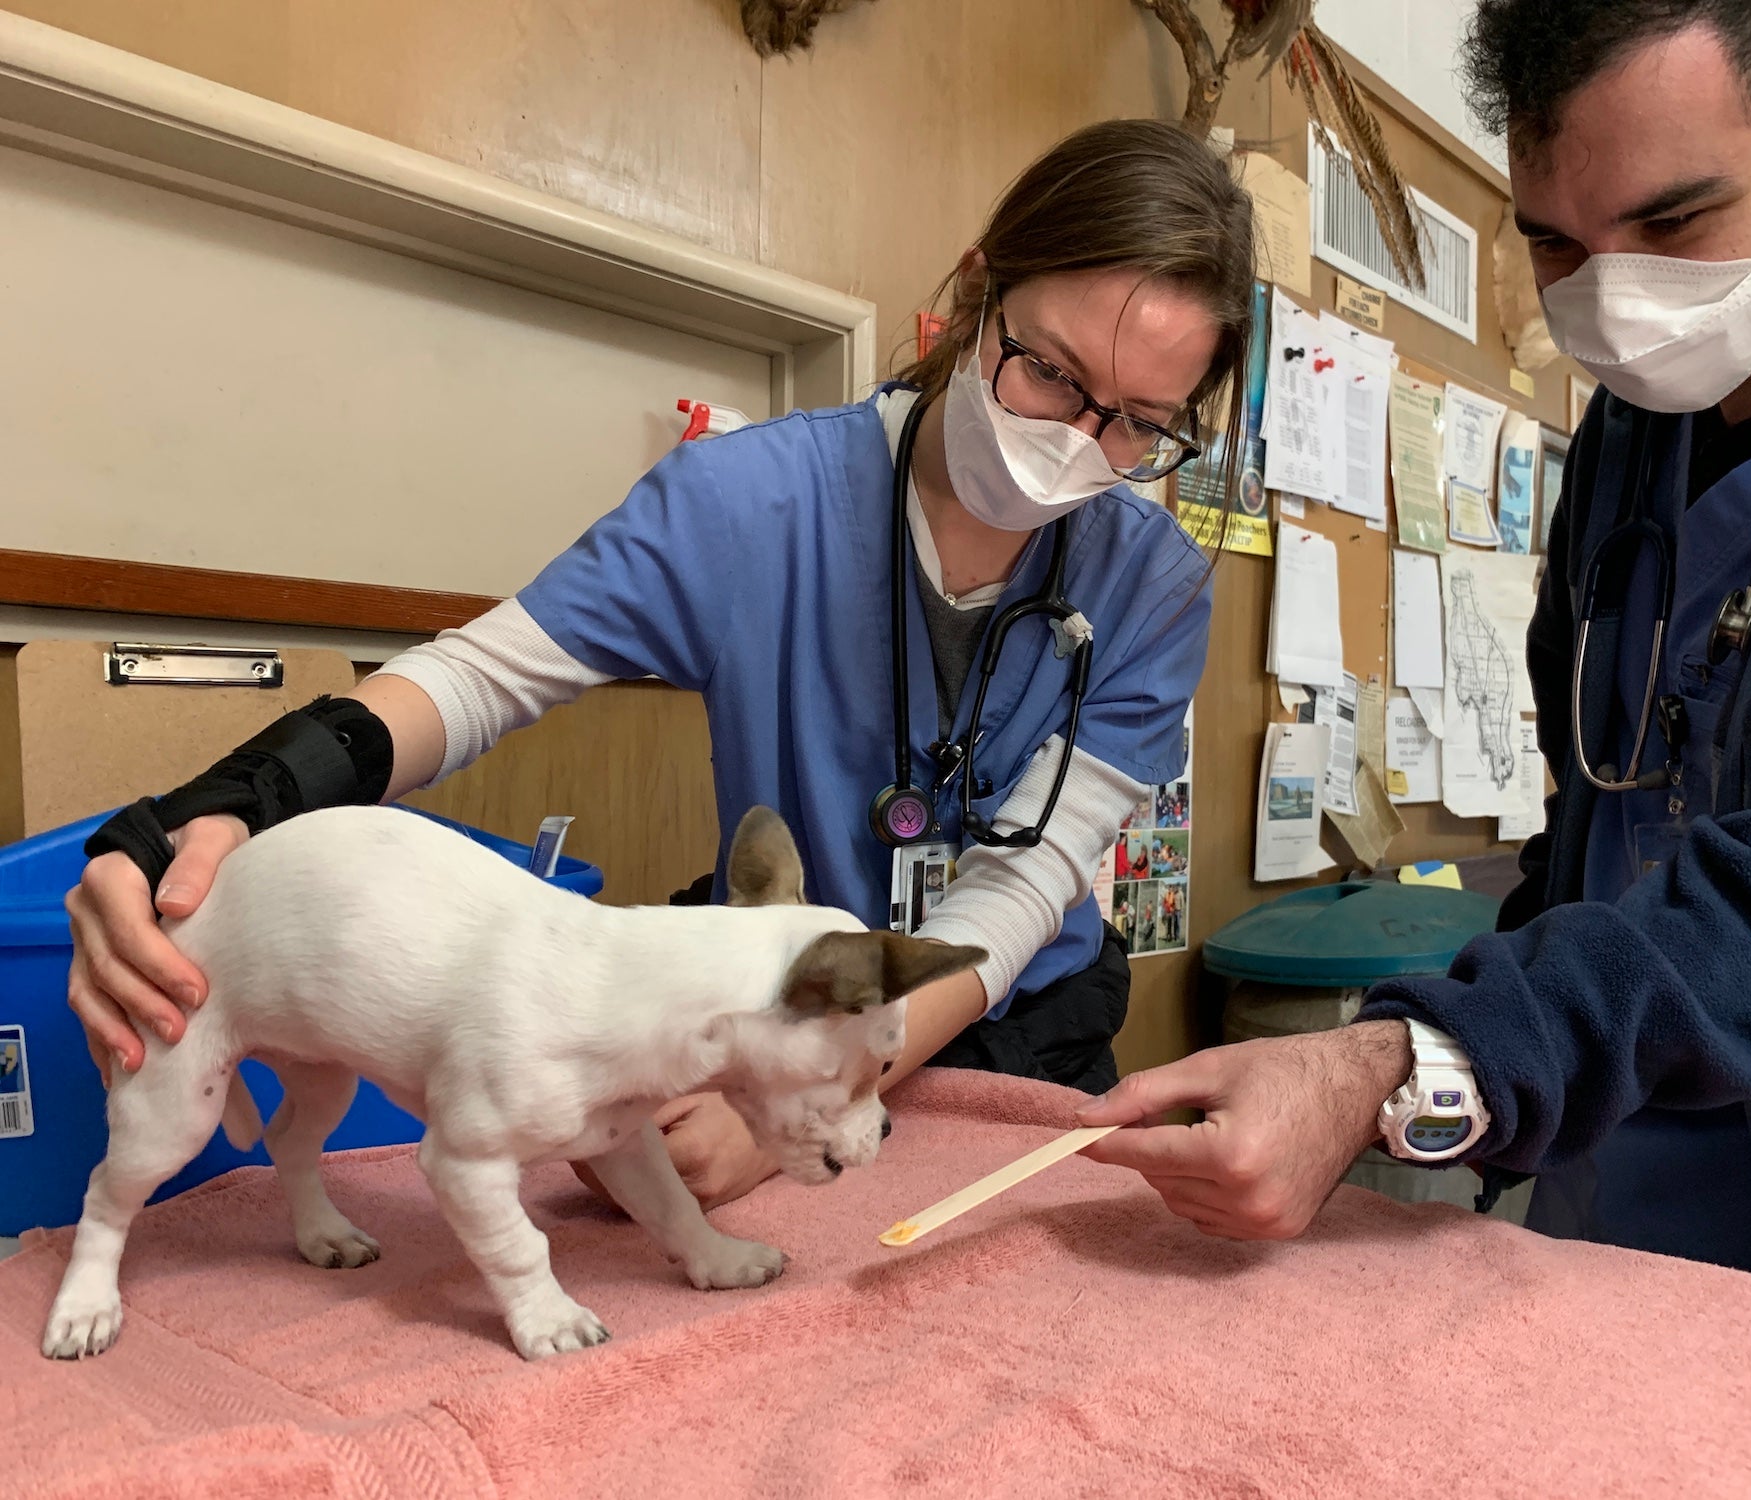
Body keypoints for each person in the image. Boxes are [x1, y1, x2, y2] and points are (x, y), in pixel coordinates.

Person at [62, 119, 1255, 1210]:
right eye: (1047, 371)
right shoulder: (749, 503)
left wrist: (836, 1079)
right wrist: (244, 796)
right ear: (975, 287)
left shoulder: (1154, 583)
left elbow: (1024, 887)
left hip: (1013, 1022)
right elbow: (480, 679)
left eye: (1140, 423)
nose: (1074, 445)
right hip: (762, 998)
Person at [1083, 0, 1751, 1315]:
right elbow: (1599, 816)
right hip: (1600, 1166)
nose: (1615, 295)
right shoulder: (1638, 428)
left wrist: (1412, 1058)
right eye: (1556, 239)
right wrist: (1483, 1068)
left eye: (1676, 224)